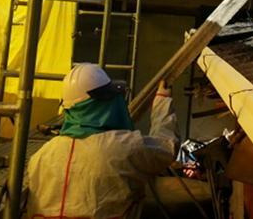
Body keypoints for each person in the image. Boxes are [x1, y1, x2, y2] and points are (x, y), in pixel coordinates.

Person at [27, 63, 179, 218]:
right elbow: (166, 147)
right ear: (105, 101)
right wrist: (162, 101)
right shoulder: (123, 147)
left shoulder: (41, 156)